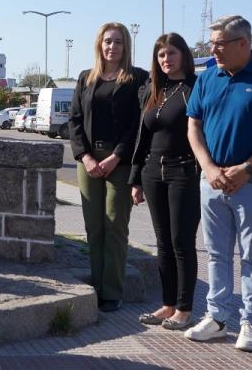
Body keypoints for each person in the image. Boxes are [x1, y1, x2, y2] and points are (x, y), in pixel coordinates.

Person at [183, 15, 252, 352]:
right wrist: (208, 168)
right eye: (212, 44)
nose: (212, 51)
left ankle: (250, 322)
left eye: (219, 44)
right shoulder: (208, 78)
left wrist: (247, 169)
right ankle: (217, 318)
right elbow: (193, 126)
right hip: (212, 181)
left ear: (244, 43)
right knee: (216, 254)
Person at [68, 22, 149, 312]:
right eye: (107, 41)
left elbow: (139, 124)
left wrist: (116, 156)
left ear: (126, 46)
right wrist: (86, 157)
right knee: (94, 227)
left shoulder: (138, 78)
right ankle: (97, 284)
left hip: (120, 161)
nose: (112, 47)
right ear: (99, 45)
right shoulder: (85, 78)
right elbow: (74, 120)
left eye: (118, 42)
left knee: (115, 225)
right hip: (88, 161)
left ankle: (112, 292)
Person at [130, 33, 200, 330]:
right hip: (152, 173)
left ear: (183, 54)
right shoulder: (153, 89)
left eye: (171, 53)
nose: (166, 59)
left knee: (181, 242)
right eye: (161, 55)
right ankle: (168, 304)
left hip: (183, 172)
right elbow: (142, 137)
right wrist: (136, 179)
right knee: (163, 243)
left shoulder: (195, 87)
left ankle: (184, 309)